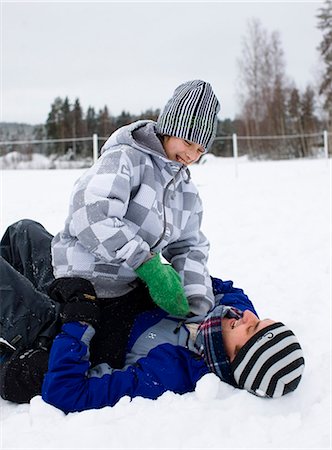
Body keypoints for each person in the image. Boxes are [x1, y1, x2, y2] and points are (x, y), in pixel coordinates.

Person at [0, 221, 305, 409]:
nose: (250, 316)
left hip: (64, 331)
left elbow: (66, 393)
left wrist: (79, 321)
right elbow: (196, 271)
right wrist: (160, 273)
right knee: (22, 232)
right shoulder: (232, 307)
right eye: (263, 320)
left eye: (251, 330)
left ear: (233, 358)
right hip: (97, 290)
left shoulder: (173, 371)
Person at [51, 79, 220, 319]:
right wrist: (147, 263)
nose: (192, 155)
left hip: (127, 288)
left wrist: (196, 307)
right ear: (169, 129)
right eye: (188, 142)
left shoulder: (186, 192)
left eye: (201, 150)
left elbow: (189, 248)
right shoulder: (126, 159)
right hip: (81, 278)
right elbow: (90, 214)